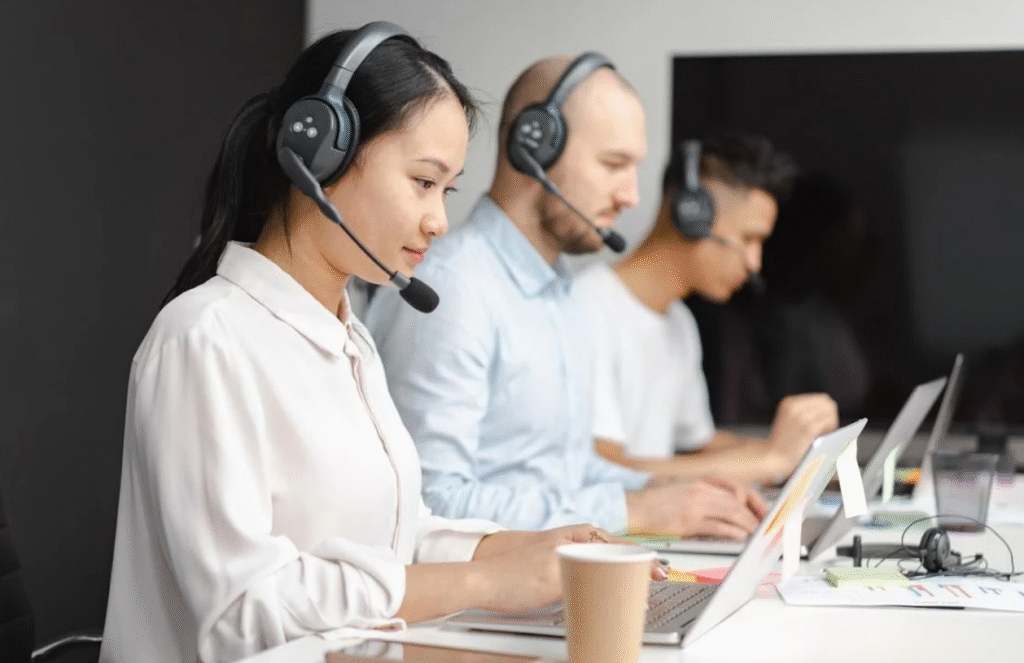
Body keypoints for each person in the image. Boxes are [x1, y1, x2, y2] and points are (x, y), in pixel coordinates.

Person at [99, 25, 634, 663]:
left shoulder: (349, 336)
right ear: (321, 153)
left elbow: (389, 539)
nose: (439, 219)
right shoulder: (206, 338)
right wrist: (480, 581)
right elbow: (245, 610)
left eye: (448, 190)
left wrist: (517, 548)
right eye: (423, 181)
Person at [365, 55, 767, 539]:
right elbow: (431, 503)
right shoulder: (454, 291)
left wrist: (675, 491)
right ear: (536, 144)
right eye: (614, 164)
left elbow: (571, 472)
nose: (632, 196)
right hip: (471, 603)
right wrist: (635, 514)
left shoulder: (562, 295)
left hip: (552, 581)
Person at [575, 133, 840, 485]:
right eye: (749, 238)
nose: (754, 264)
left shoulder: (679, 323)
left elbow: (699, 447)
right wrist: (769, 460)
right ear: (691, 214)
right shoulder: (586, 307)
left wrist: (796, 454)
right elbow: (605, 473)